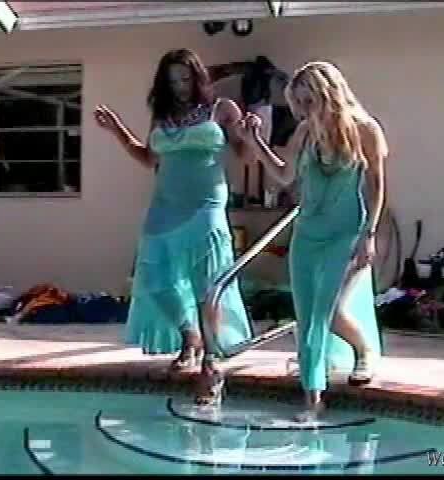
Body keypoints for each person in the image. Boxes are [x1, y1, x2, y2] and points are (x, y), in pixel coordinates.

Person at [94, 48, 253, 405]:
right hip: (164, 206)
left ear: (198, 77)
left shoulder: (222, 109)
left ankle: (211, 362)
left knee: (208, 283)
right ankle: (189, 336)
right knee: (156, 278)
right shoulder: (163, 116)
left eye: (185, 78)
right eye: (172, 81)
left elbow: (245, 156)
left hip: (206, 203)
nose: (180, 86)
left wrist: (249, 134)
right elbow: (148, 158)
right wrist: (117, 130)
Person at [237, 61, 387, 420]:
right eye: (299, 103)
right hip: (307, 233)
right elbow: (285, 175)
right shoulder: (305, 132)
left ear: (328, 94)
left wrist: (369, 235)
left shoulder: (364, 129)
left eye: (309, 101)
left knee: (325, 311)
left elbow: (376, 185)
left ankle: (363, 350)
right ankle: (312, 397)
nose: (304, 110)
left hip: (345, 231)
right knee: (306, 315)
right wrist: (255, 140)